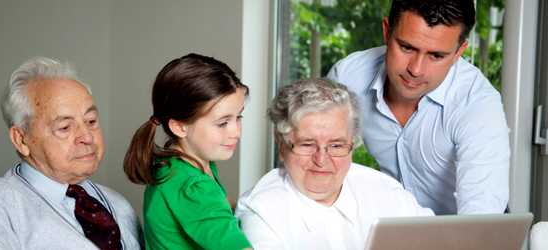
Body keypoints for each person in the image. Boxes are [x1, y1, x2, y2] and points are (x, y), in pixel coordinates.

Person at [327, 0, 509, 215]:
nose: (416, 69)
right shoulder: (349, 78)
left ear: (459, 52)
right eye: (406, 47)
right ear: (387, 31)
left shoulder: (477, 105)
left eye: (436, 56)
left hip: (463, 232)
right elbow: (311, 155)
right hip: (398, 227)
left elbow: (481, 218)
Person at [0, 57, 143, 249]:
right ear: (21, 139)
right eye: (65, 127)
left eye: (91, 121)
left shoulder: (119, 205)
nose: (87, 137)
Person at [235, 78, 433, 250]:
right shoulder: (260, 210)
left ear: (352, 143)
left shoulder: (385, 191)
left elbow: (442, 239)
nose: (321, 160)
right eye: (307, 144)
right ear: (281, 144)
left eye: (336, 145)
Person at [123, 53, 252, 250]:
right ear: (180, 127)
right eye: (223, 123)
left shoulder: (178, 166)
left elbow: (219, 206)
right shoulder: (194, 187)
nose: (236, 131)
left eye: (239, 117)